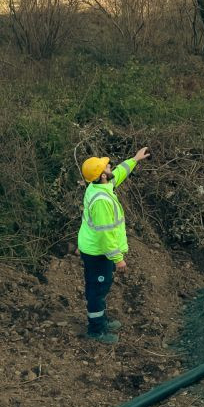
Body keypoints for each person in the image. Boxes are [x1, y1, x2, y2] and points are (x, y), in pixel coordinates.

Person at [77, 147, 150, 343]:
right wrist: (118, 259)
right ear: (102, 175)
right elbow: (106, 235)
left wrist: (135, 159)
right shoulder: (101, 200)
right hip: (97, 252)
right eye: (106, 166)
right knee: (97, 290)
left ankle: (100, 320)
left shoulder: (101, 185)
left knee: (101, 287)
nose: (110, 166)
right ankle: (96, 330)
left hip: (98, 250)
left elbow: (119, 173)